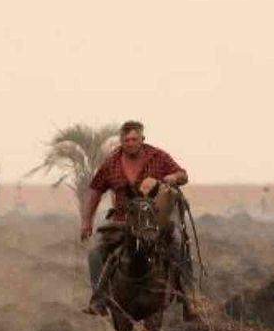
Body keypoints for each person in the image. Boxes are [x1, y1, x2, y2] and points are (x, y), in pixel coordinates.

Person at [79, 120, 195, 318]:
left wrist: (174, 178)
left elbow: (183, 175)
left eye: (134, 139)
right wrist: (86, 221)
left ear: (142, 139)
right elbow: (95, 190)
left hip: (155, 223)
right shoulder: (111, 163)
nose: (130, 143)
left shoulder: (158, 157)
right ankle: (99, 300)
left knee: (178, 244)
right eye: (126, 140)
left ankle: (189, 299)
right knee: (95, 253)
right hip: (122, 221)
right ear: (121, 141)